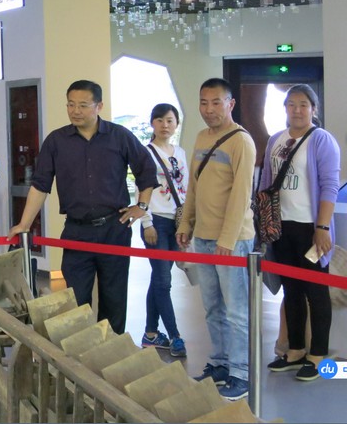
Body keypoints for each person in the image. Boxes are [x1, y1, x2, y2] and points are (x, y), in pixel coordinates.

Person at [8, 80, 157, 335]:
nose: (75, 111)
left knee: (114, 298)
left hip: (114, 228)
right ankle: (77, 354)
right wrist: (24, 224)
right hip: (77, 231)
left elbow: (146, 170)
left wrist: (141, 205)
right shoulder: (56, 141)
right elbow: (40, 185)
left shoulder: (119, 136)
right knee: (75, 299)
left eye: (83, 105)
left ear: (99, 106)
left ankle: (110, 352)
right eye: (70, 104)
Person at [176, 78, 256, 401]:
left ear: (230, 104)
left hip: (232, 241)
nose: (208, 109)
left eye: (216, 102)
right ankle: (220, 364)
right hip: (204, 238)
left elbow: (241, 196)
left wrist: (227, 239)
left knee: (236, 312)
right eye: (203, 102)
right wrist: (187, 223)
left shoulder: (241, 141)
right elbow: (194, 187)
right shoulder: (201, 137)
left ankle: (241, 373)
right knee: (212, 308)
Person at [260, 84, 340, 381]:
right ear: (285, 108)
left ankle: (317, 355)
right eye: (291, 104)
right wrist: (264, 225)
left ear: (313, 109)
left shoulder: (322, 140)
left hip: (310, 227)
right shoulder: (275, 140)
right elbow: (266, 183)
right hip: (282, 226)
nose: (296, 110)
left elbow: (330, 185)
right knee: (291, 289)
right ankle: (295, 350)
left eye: (303, 104)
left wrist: (322, 227)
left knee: (316, 291)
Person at [138, 103, 188, 357]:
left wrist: (187, 223)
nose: (165, 125)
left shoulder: (180, 152)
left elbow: (186, 189)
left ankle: (150, 334)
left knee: (159, 279)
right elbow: (142, 189)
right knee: (163, 281)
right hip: (155, 222)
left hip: (175, 222)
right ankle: (175, 336)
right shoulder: (146, 152)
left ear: (176, 123)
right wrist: (146, 222)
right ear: (152, 123)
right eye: (159, 120)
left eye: (169, 120)